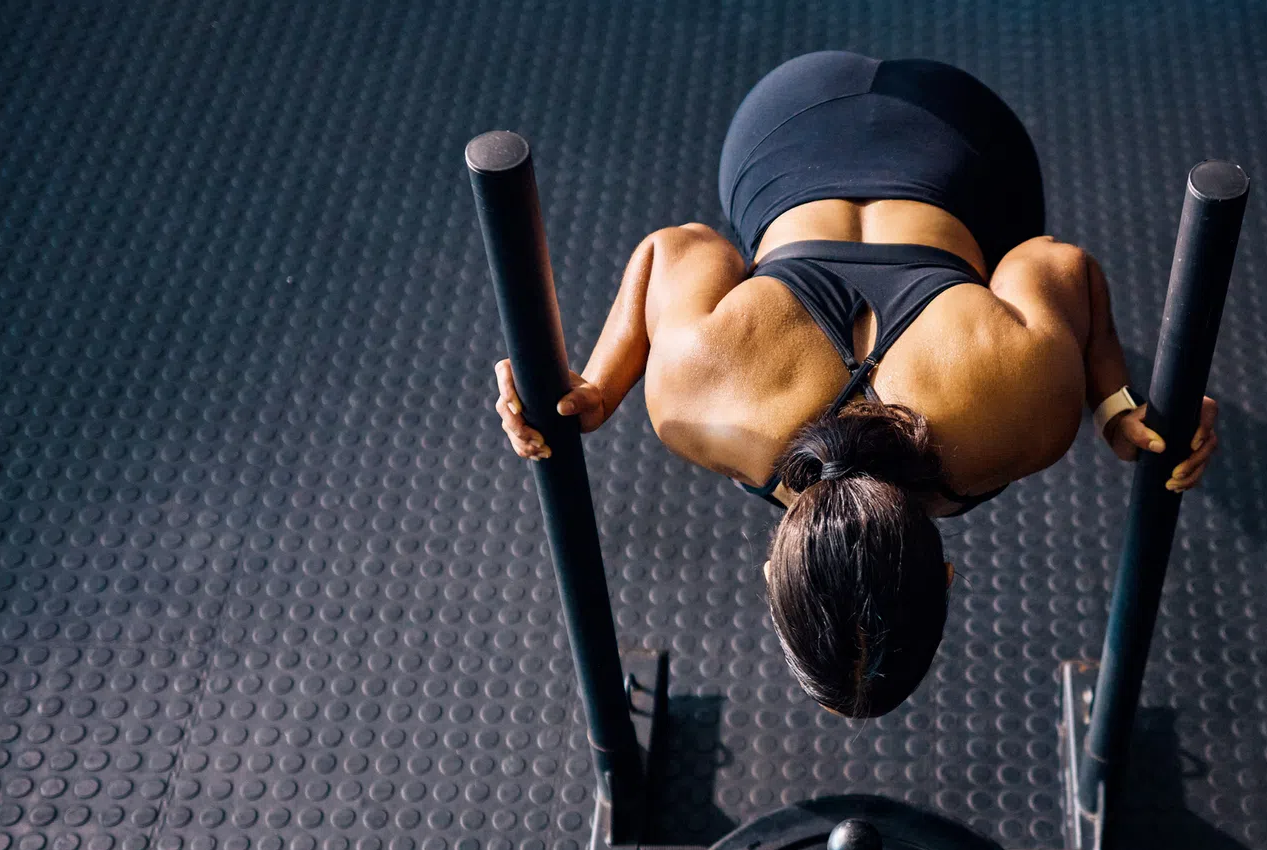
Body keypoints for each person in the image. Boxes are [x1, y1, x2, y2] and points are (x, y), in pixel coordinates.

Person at [493, 50, 1217, 719]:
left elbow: (1055, 261)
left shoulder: (1022, 424)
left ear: (944, 577)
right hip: (786, 119)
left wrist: (1114, 409)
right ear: (775, 564)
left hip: (962, 131)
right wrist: (597, 389)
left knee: (1015, 279)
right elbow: (678, 246)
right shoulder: (693, 407)